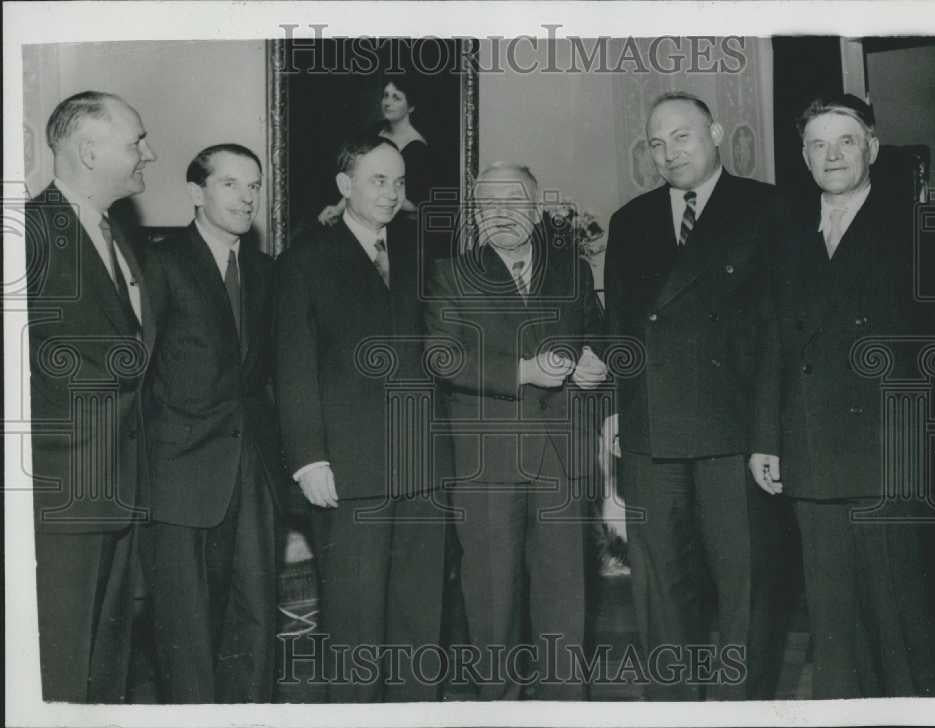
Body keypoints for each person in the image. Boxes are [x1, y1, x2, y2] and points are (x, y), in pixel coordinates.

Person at [751, 94, 935, 698]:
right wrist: (766, 438)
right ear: (804, 157)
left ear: (872, 147)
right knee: (832, 620)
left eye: (845, 141)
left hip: (890, 447)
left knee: (901, 615)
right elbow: (772, 341)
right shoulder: (786, 234)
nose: (832, 155)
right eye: (818, 144)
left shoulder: (920, 227)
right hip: (811, 447)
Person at [602, 91, 784, 700]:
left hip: (736, 435)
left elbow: (780, 332)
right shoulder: (630, 221)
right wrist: (620, 415)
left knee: (745, 592)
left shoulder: (767, 207)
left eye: (682, 136)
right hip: (652, 434)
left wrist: (769, 435)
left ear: (716, 134)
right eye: (656, 143)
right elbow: (622, 330)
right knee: (660, 594)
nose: (669, 153)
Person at [425, 162, 608, 700]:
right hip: (488, 463)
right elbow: (442, 356)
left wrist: (595, 362)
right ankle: (499, 709)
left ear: (535, 208)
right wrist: (522, 371)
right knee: (492, 602)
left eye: (513, 201)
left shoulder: (572, 271)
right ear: (476, 215)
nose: (501, 213)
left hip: (562, 457)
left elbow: (597, 336)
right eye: (488, 204)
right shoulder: (451, 273)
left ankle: (565, 709)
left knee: (565, 601)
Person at [274, 133, 446, 702]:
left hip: (422, 468)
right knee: (354, 624)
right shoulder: (304, 259)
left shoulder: (422, 252)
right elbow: (293, 366)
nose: (392, 192)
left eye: (400, 182)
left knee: (419, 622)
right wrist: (309, 459)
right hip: (348, 473)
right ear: (345, 185)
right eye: (378, 180)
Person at [139, 144, 284, 702]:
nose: (247, 198)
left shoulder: (265, 271)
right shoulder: (160, 262)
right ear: (196, 193)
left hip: (252, 469)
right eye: (230, 184)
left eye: (254, 186)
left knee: (255, 617)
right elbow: (138, 369)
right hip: (178, 472)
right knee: (186, 629)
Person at [25, 90, 157, 702]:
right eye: (136, 141)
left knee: (106, 671)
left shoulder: (116, 234)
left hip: (118, 490)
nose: (148, 154)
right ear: (88, 151)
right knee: (61, 670)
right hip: (62, 494)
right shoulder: (29, 232)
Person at [318, 76, 431, 225]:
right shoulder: (377, 129)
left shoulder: (417, 147)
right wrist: (338, 209)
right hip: (367, 208)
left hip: (397, 220)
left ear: (411, 107)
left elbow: (415, 206)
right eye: (386, 96)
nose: (388, 103)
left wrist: (368, 197)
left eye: (396, 98)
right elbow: (358, 176)